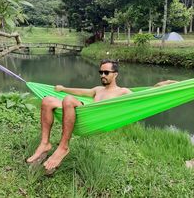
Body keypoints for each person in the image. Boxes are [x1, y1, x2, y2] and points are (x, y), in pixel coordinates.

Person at [27, 59, 177, 173]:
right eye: (101, 72)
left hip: (94, 117)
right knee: (47, 101)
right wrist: (63, 88)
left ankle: (64, 146)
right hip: (82, 112)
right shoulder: (98, 89)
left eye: (106, 73)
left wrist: (160, 86)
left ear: (115, 74)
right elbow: (80, 92)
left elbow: (144, 95)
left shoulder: (123, 92)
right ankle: (45, 143)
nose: (103, 75)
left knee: (67, 100)